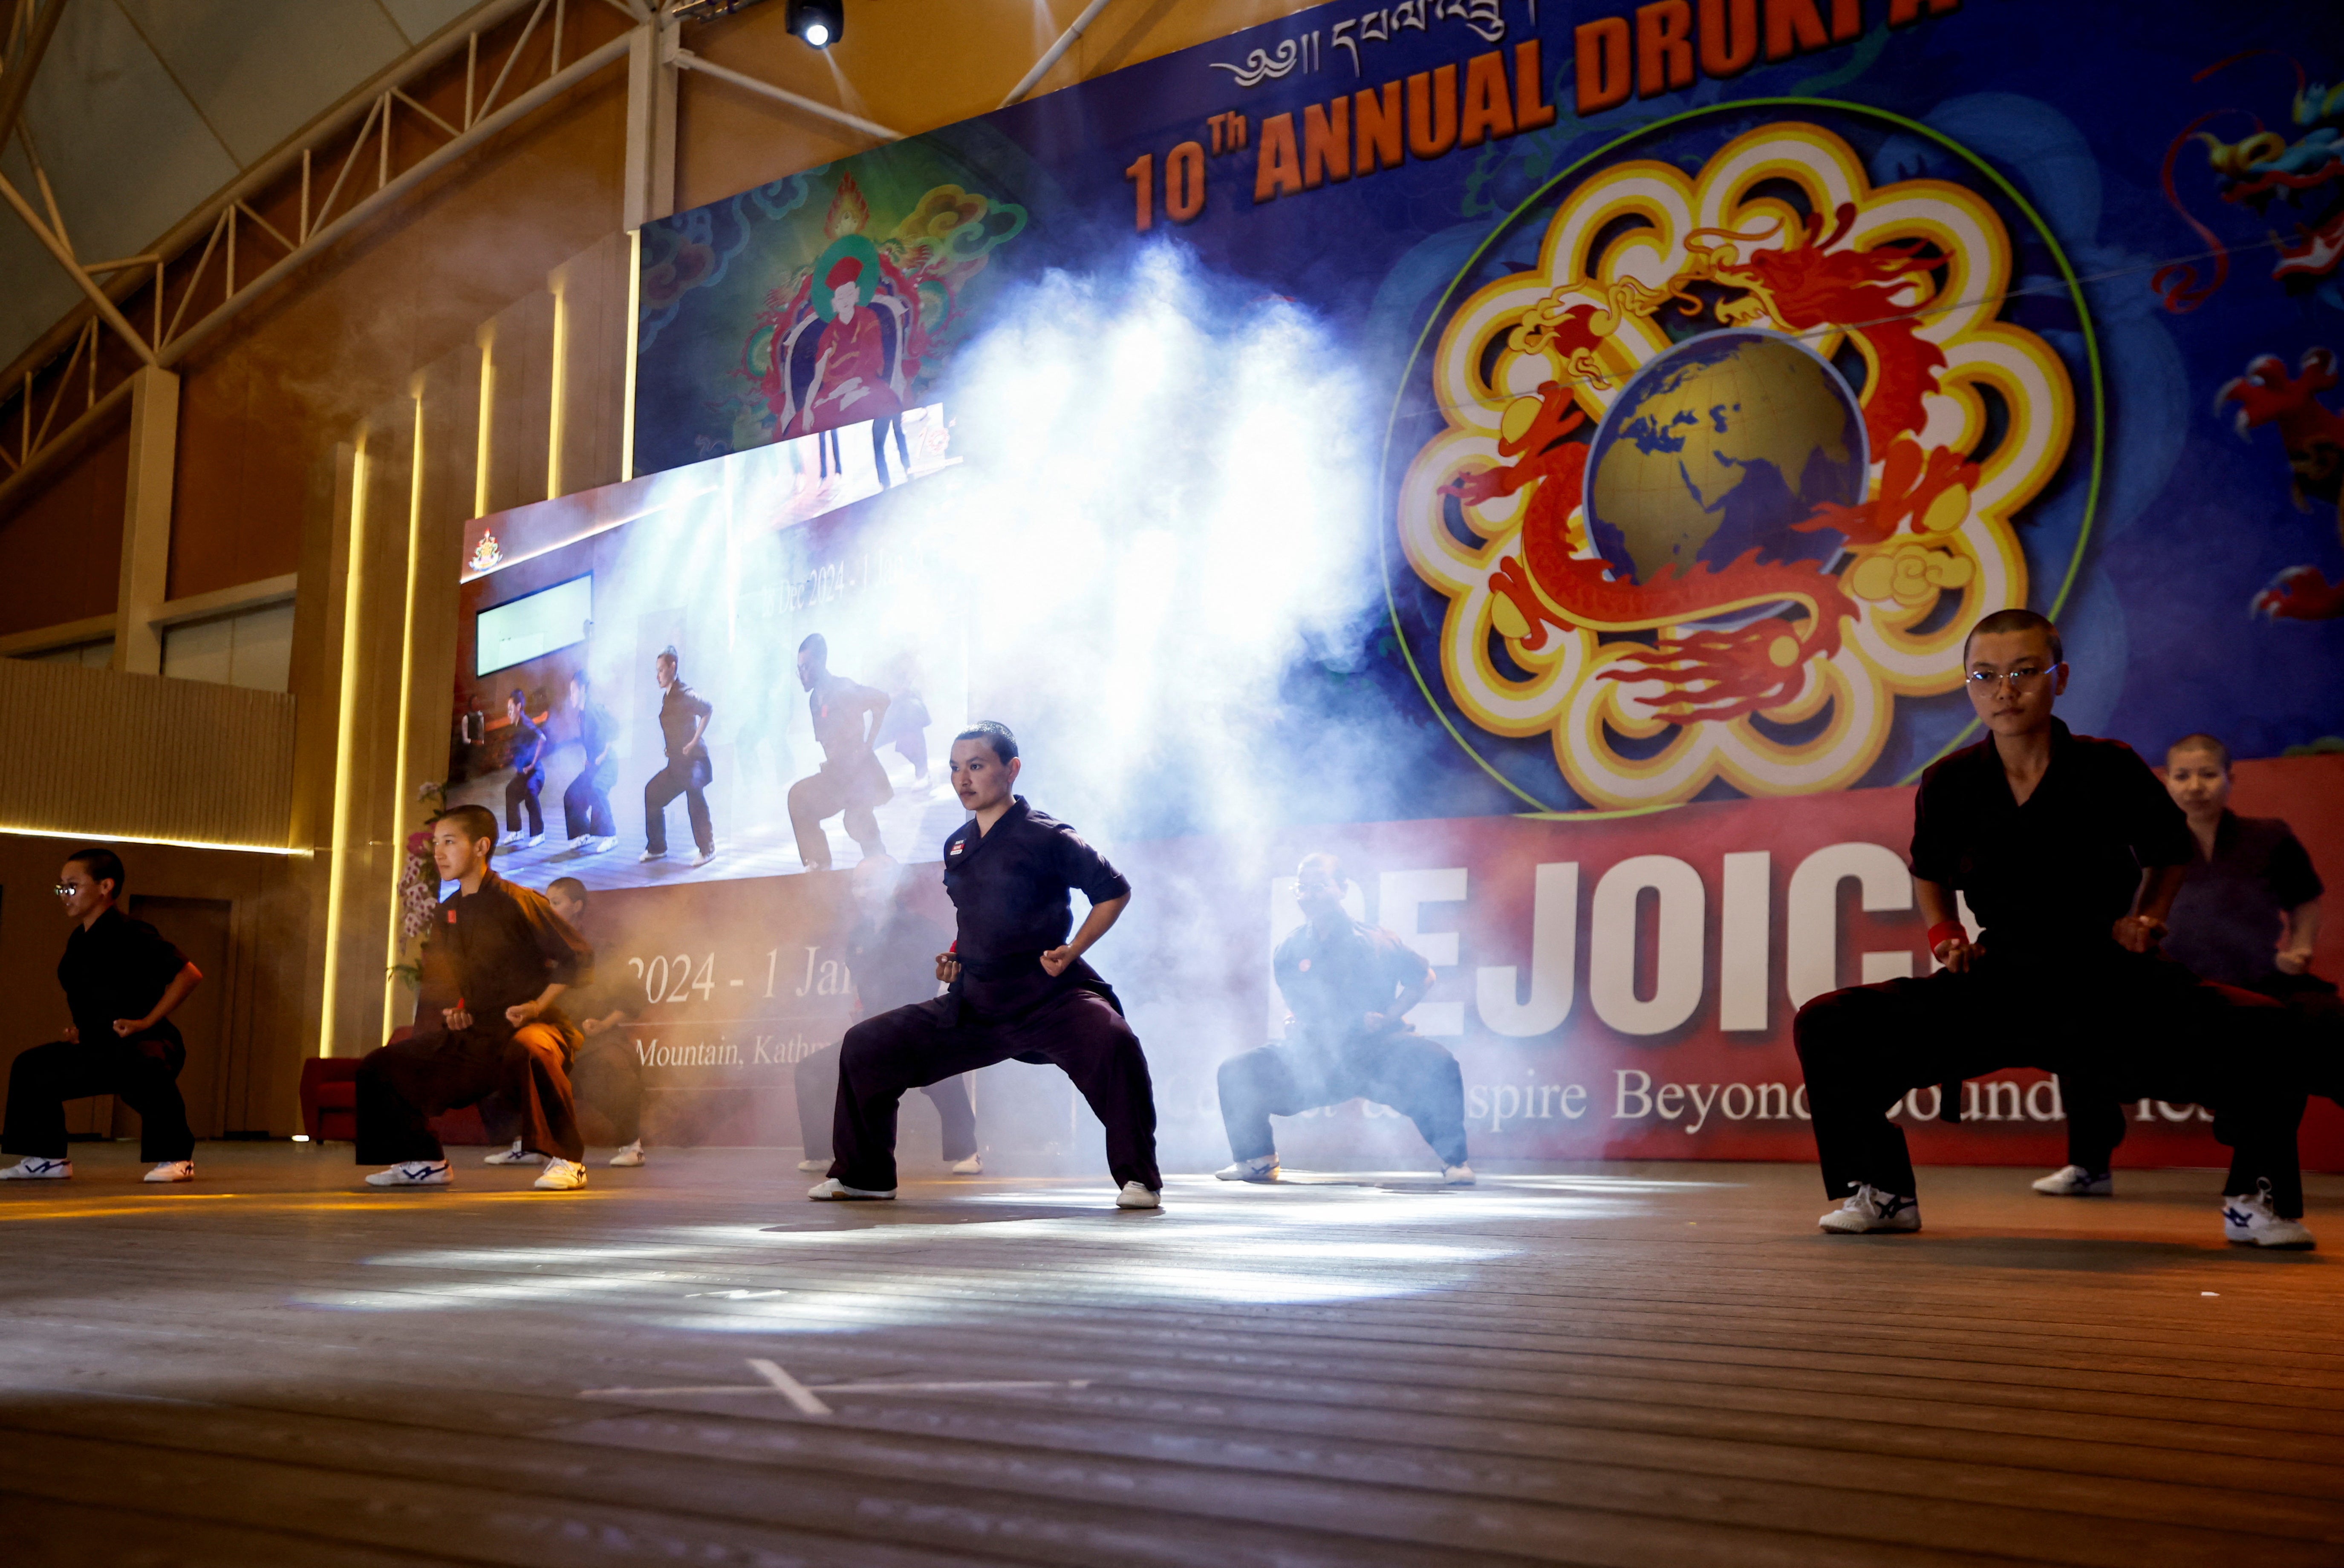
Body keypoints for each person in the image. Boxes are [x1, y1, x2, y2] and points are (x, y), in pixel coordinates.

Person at [1791, 609, 2315, 1247]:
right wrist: (1944, 935)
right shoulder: (1950, 781)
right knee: (1829, 1022)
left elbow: (2169, 850)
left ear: (2059, 678)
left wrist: (2147, 918)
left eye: (2023, 672)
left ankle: (2253, 1201)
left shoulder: (2108, 767)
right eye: (1985, 675)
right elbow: (1928, 870)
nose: (2004, 690)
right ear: (1968, 685)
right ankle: (1883, 1191)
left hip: (2106, 976)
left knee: (2267, 1028)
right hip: (2000, 977)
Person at [812, 722, 1162, 1209]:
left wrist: (1073, 948)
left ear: (1011, 769)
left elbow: (1113, 891)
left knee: (1115, 1041)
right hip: (976, 1003)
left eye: (976, 766)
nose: (962, 779)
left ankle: (1140, 1178)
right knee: (865, 1045)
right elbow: (976, 914)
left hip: (1045, 995)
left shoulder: (1048, 835)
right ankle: (866, 1175)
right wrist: (957, 955)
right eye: (955, 768)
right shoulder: (956, 845)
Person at [2036, 732, 2338, 1194]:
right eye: (2182, 775)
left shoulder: (2269, 836)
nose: (2195, 785)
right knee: (2080, 1028)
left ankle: (2258, 1182)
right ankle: (2089, 1166)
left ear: (2229, 779)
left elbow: (2306, 900)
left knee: (2326, 1026)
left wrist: (2300, 948)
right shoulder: (2143, 848)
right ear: (2166, 782)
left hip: (2256, 980)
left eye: (2207, 774)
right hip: (2166, 986)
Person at [355, 805, 594, 1191]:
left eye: (450, 842)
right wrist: (458, 1012)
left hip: (537, 1026)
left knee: (531, 1048)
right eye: (436, 843)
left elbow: (577, 957)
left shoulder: (520, 900)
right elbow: (457, 984)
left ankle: (568, 1160)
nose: (439, 852)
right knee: (380, 1066)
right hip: (480, 1036)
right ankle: (425, 1160)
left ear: (481, 846)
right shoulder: (448, 912)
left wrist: (537, 1006)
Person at [1215, 853, 1473, 1185]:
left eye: (1319, 887)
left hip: (1377, 1050)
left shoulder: (1377, 940)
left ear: (1342, 890)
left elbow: (1424, 977)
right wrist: (1295, 1021)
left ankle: (1456, 1161)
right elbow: (1295, 1001)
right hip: (1317, 1057)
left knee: (1439, 1063)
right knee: (1238, 1071)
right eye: (1302, 888)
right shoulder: (1291, 947)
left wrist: (1388, 1017)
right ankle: (1258, 1160)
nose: (1308, 896)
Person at [0, 848, 202, 1183]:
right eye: (61, 887)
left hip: (148, 1040)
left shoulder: (134, 933)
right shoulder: (79, 940)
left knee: (145, 1063)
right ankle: (48, 1159)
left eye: (73, 886)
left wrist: (147, 1022)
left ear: (105, 886)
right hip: (99, 1043)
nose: (64, 895)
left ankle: (176, 1157)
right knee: (32, 1067)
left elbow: (189, 974)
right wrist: (81, 1029)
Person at [793, 854, 980, 1175]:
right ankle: (822, 1154)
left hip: (919, 1028)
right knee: (811, 1070)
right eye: (857, 884)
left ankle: (968, 1152)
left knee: (943, 1073)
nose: (861, 892)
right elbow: (863, 988)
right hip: (874, 1032)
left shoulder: (924, 932)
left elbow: (950, 981)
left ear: (893, 885)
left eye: (869, 883)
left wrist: (941, 1025)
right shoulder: (858, 937)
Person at [482, 877, 645, 1168]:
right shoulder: (537, 950)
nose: (549, 909)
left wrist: (604, 1025)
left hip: (594, 1037)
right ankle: (529, 1144)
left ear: (577, 907)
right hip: (551, 1035)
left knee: (610, 1068)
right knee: (507, 1059)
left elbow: (631, 998)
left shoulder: (601, 949)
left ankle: (631, 1144)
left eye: (555, 903)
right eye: (547, 903)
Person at [786, 633, 892, 872]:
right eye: (799, 668)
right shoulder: (815, 699)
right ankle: (820, 865)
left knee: (855, 822)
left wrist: (869, 744)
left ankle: (882, 868)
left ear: (822, 662)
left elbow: (882, 700)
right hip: (837, 774)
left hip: (861, 775)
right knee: (799, 798)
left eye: (807, 667)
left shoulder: (844, 688)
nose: (803, 674)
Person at [643, 645, 716, 867]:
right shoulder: (668, 696)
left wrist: (694, 740)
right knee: (652, 793)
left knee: (695, 794)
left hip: (695, 762)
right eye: (657, 670)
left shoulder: (684, 692)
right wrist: (671, 749)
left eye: (662, 670)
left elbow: (708, 709)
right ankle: (657, 847)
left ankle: (708, 849)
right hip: (677, 764)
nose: (658, 675)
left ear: (673, 667)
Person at [560, 672, 620, 853]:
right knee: (571, 794)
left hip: (608, 765)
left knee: (597, 788)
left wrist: (603, 754)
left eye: (573, 691)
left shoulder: (594, 709)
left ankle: (611, 836)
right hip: (594, 766)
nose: (571, 696)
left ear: (583, 689)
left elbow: (615, 728)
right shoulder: (582, 714)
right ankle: (582, 833)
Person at [503, 689, 549, 850]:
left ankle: (539, 834)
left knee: (530, 791)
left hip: (536, 773)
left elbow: (542, 739)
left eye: (510, 708)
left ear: (519, 707)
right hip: (524, 774)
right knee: (511, 791)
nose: (508, 712)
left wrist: (532, 764)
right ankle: (517, 832)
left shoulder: (525, 722)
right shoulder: (516, 727)